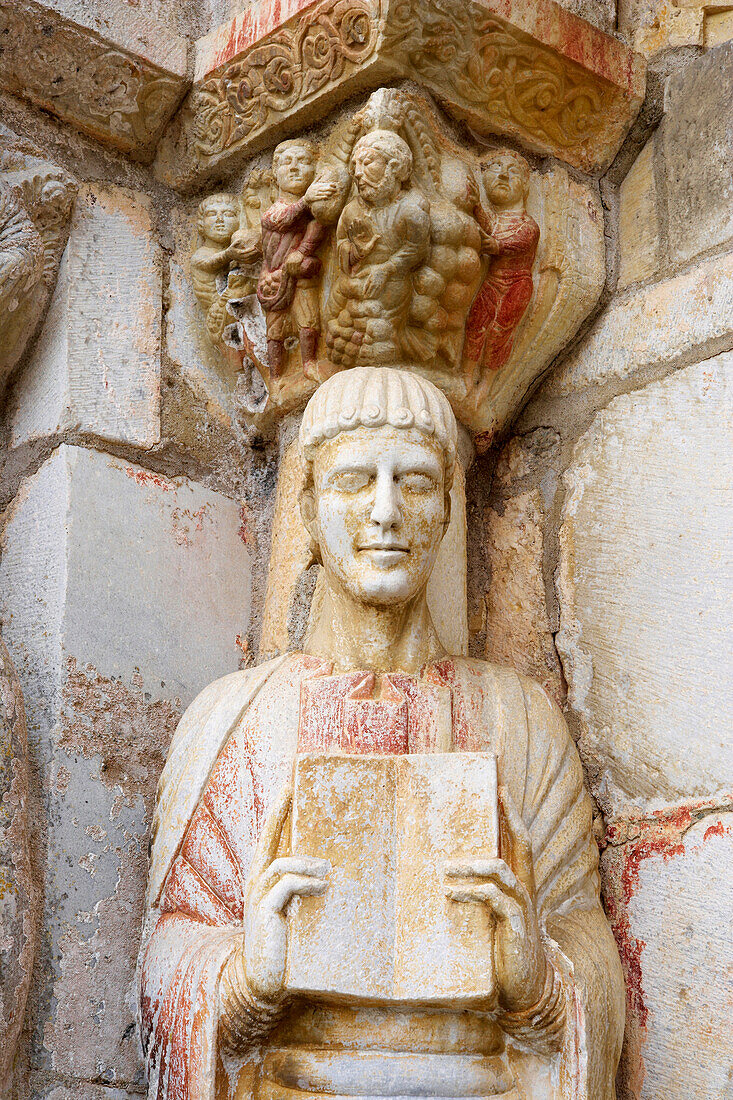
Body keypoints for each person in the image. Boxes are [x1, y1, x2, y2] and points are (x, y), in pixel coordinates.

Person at [138, 367, 624, 1100]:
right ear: (304, 504)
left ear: (451, 508)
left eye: (418, 483)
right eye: (353, 480)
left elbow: (583, 944)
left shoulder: (517, 721)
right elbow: (166, 952)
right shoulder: (237, 719)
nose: (385, 511)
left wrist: (535, 979)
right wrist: (243, 980)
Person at [464, 152, 540, 398]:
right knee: (476, 322)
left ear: (526, 186)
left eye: (513, 171)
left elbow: (522, 242)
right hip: (493, 280)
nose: (504, 174)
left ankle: (485, 383)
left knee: (500, 332)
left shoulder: (528, 224)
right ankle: (465, 375)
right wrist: (476, 205)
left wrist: (497, 247)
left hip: (516, 284)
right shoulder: (496, 218)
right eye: (496, 167)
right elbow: (490, 228)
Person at [257, 140, 332, 381]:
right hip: (274, 279)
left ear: (315, 170)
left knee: (308, 320)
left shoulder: (313, 210)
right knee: (275, 331)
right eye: (287, 163)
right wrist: (306, 200)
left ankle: (309, 363)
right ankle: (277, 377)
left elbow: (317, 225)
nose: (294, 168)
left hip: (299, 275)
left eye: (303, 162)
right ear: (275, 176)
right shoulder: (275, 209)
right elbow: (283, 220)